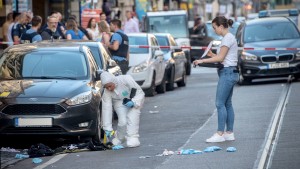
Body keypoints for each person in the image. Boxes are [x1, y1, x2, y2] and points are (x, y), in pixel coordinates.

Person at [193, 16, 239, 143]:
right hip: (231, 72)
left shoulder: (227, 39)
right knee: (227, 104)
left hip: (227, 73)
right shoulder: (228, 38)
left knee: (220, 103)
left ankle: (220, 133)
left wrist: (202, 60)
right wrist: (212, 55)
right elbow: (222, 57)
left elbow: (220, 59)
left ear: (221, 26)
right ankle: (229, 133)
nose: (214, 30)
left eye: (214, 28)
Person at [100, 71, 145, 148]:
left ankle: (133, 137)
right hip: (119, 102)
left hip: (132, 100)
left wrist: (134, 102)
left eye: (110, 86)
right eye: (106, 87)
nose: (109, 88)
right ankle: (120, 138)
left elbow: (139, 92)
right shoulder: (107, 92)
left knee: (132, 117)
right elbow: (106, 108)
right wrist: (107, 128)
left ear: (113, 81)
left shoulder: (126, 79)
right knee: (123, 121)